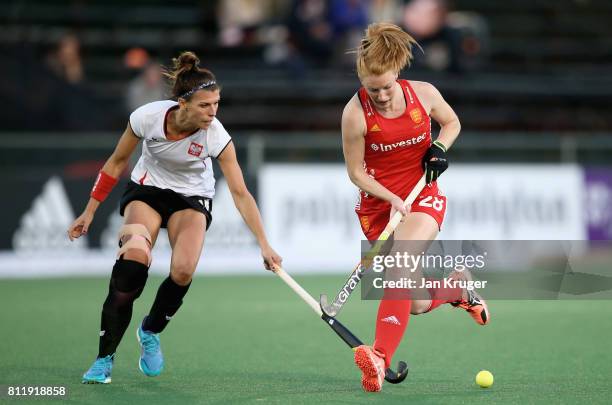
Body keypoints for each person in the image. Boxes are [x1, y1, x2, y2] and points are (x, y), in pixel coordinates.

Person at [68, 51, 282, 384]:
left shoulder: (216, 137)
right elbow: (115, 163)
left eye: (216, 104)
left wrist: (264, 244)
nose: (213, 112)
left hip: (192, 200)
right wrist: (90, 211)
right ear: (182, 103)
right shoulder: (146, 117)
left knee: (182, 270)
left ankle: (150, 330)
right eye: (204, 105)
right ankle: (104, 359)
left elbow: (241, 193)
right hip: (147, 191)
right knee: (132, 266)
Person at [340, 22, 489, 392]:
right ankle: (457, 290)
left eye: (387, 87)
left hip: (422, 196)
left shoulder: (423, 94)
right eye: (372, 90)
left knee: (399, 269)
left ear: (397, 74)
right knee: (417, 302)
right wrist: (389, 198)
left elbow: (451, 123)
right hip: (379, 208)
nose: (381, 96)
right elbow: (356, 173)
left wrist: (438, 149)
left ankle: (379, 357)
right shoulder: (354, 114)